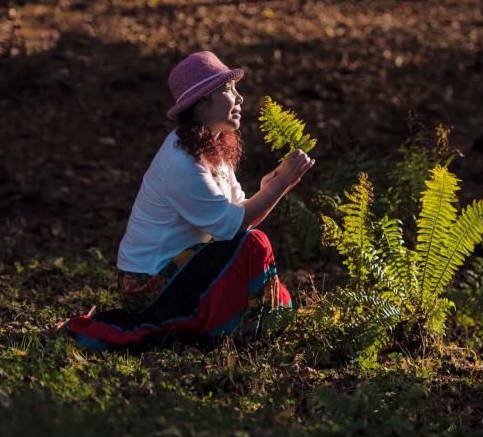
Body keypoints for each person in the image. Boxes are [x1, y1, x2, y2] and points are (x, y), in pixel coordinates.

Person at [66, 51, 314, 350]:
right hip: (146, 286)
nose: (239, 98)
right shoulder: (182, 162)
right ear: (203, 101)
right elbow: (233, 226)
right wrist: (278, 187)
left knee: (250, 243)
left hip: (179, 268)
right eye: (228, 90)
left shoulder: (212, 146)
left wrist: (270, 187)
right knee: (254, 244)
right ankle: (239, 327)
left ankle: (255, 323)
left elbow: (238, 217)